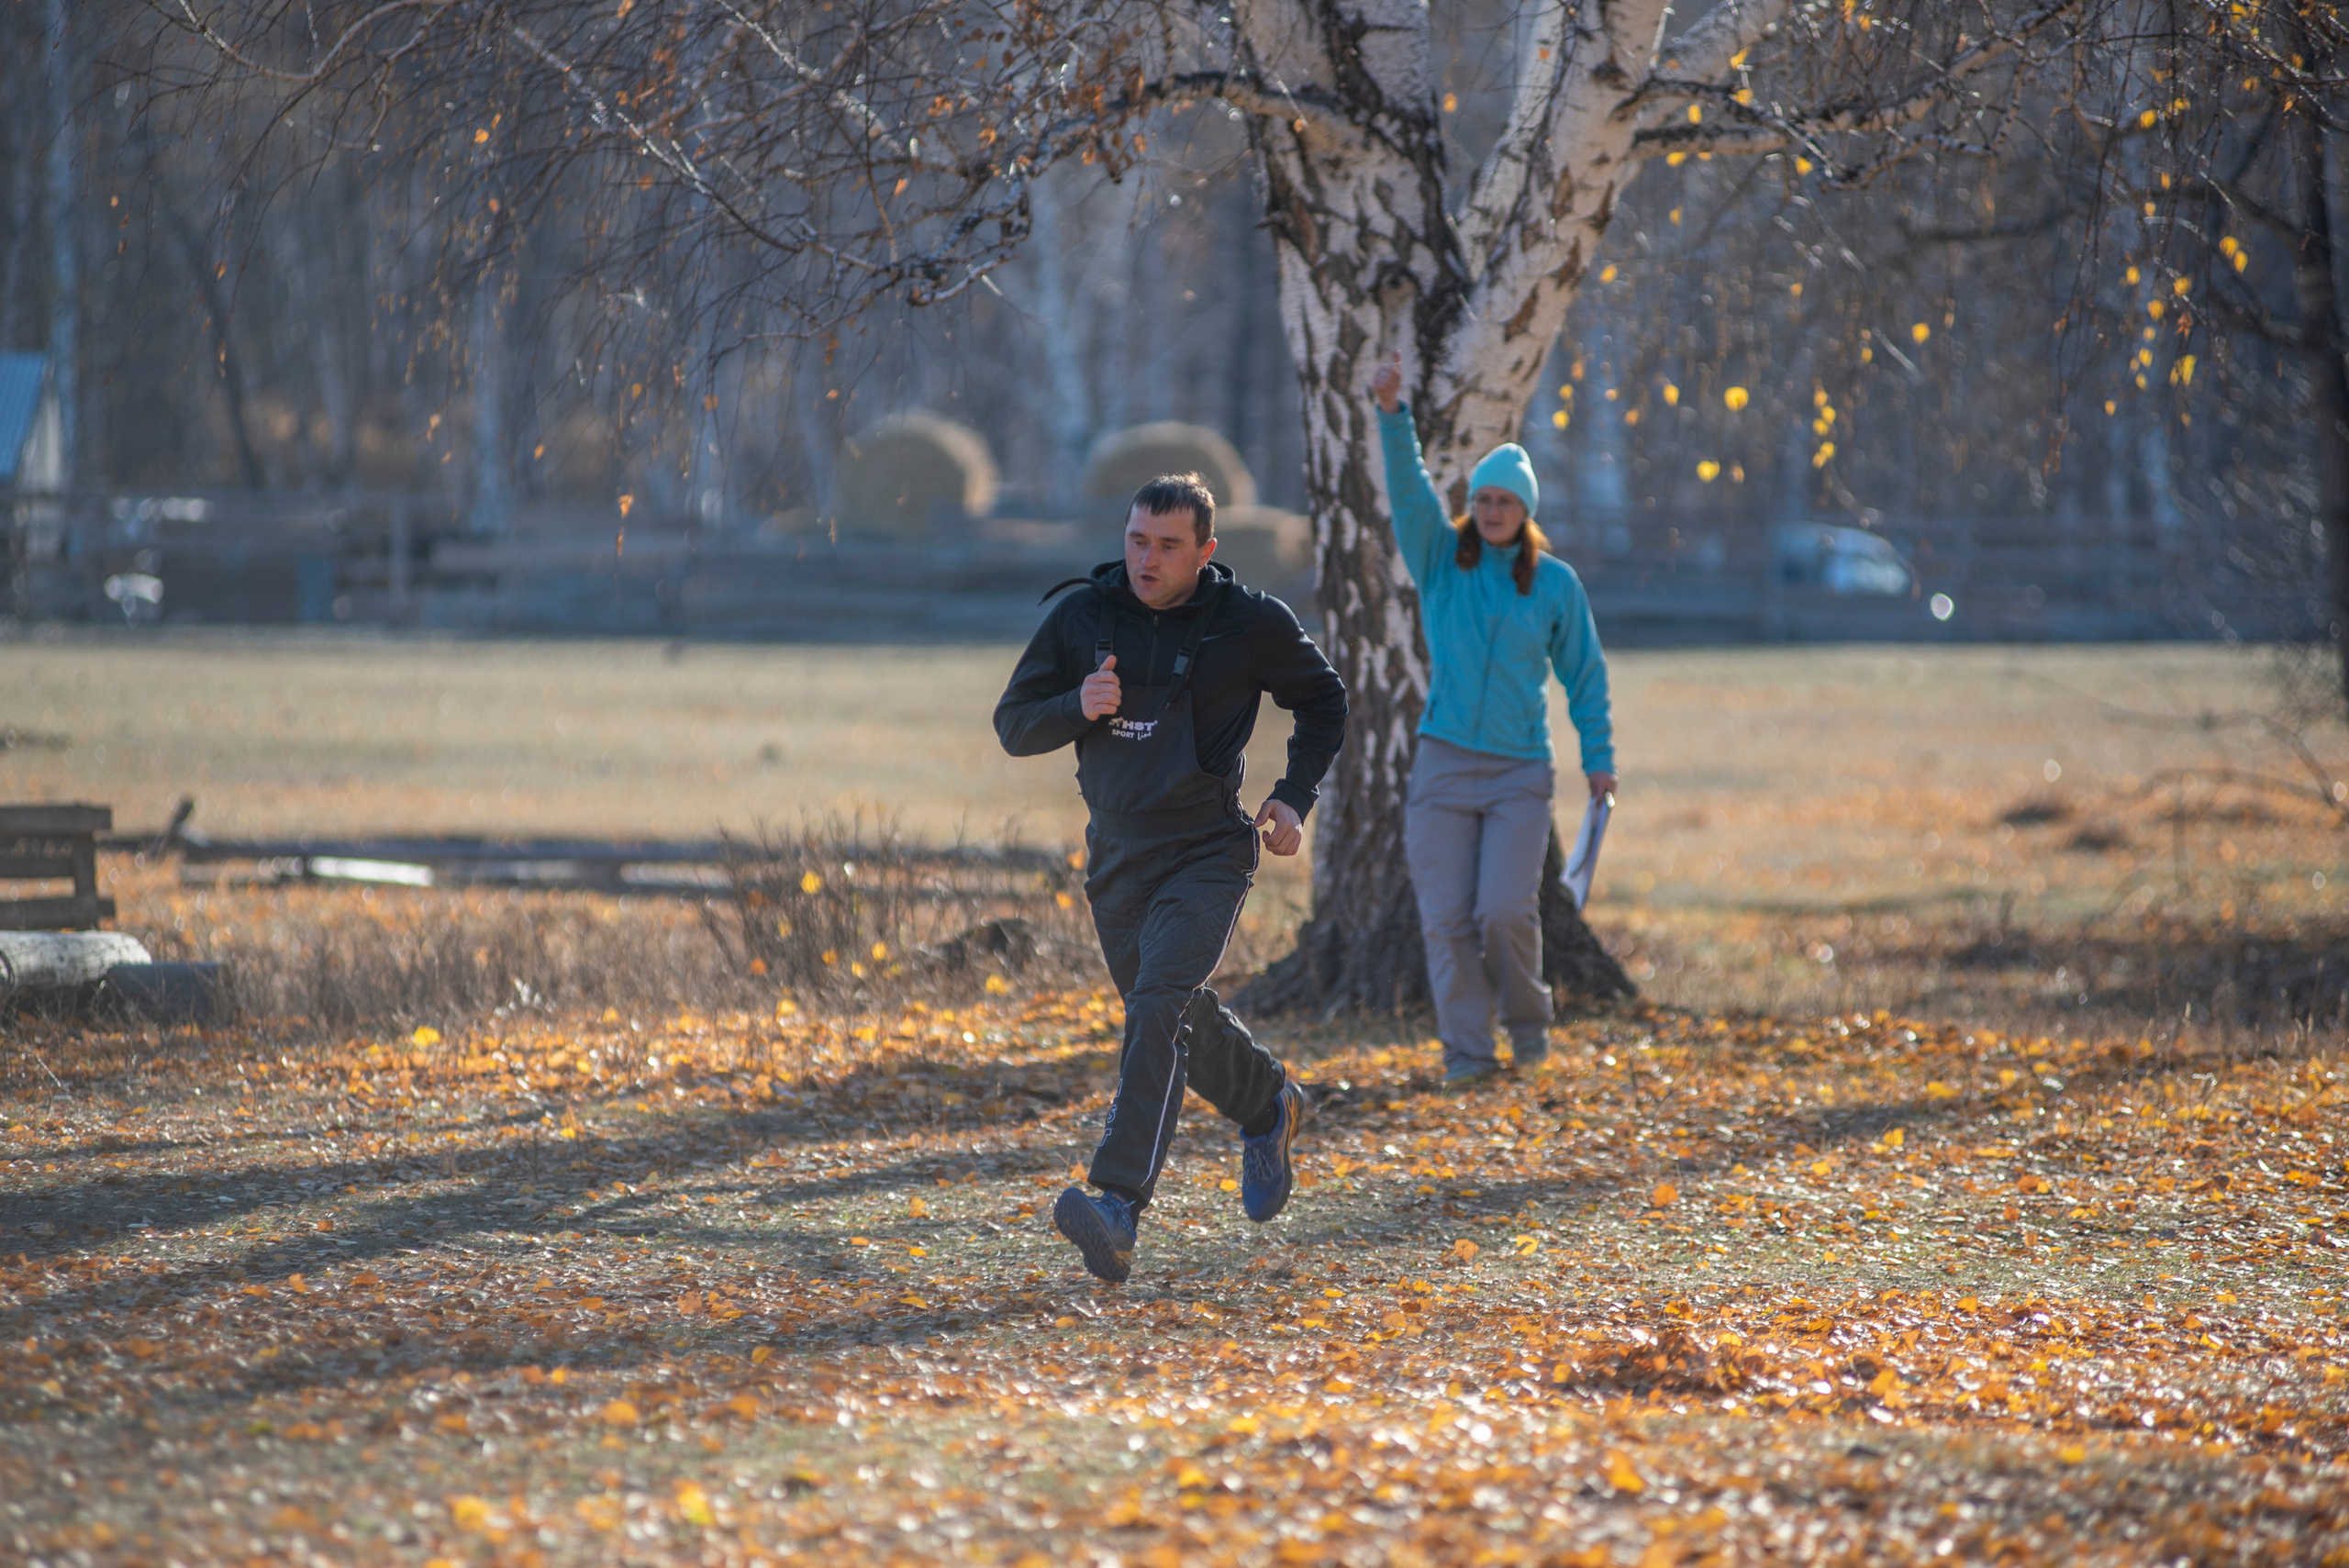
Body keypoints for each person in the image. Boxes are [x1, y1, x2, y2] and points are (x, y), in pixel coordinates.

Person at [995, 473, 1349, 1282]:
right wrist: (1077, 705)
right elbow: (1014, 725)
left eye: (1168, 545)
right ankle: (1269, 1103)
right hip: (1116, 857)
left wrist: (1294, 796)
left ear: (1205, 551)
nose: (1147, 559)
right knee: (1172, 1012)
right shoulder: (1082, 617)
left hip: (1206, 852)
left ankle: (1117, 1205)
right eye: (1137, 541)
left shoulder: (1250, 622)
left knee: (1157, 1004)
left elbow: (1325, 700)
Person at [1370, 350, 1617, 1088]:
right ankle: (1468, 1053)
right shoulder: (1441, 557)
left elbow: (1585, 675)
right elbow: (1409, 490)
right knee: (1445, 919)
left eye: (1506, 501)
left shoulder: (1556, 585)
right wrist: (1393, 413)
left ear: (1526, 509)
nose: (1492, 510)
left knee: (1505, 911)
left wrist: (1599, 758)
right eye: (1483, 499)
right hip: (1443, 764)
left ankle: (1528, 1026)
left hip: (1519, 771)